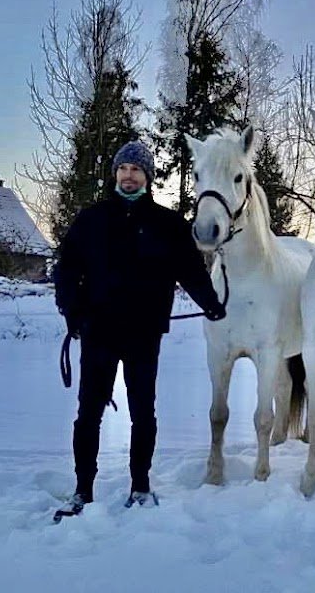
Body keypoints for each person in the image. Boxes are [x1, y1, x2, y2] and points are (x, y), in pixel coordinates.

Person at [53, 141, 226, 520]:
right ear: (115, 174)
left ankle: (141, 486)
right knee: (88, 414)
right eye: (123, 169)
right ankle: (83, 490)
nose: (128, 175)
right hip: (98, 330)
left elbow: (191, 272)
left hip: (143, 335)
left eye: (136, 170)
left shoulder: (168, 226)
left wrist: (211, 304)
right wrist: (72, 312)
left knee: (142, 413)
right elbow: (66, 271)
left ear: (147, 177)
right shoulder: (91, 221)